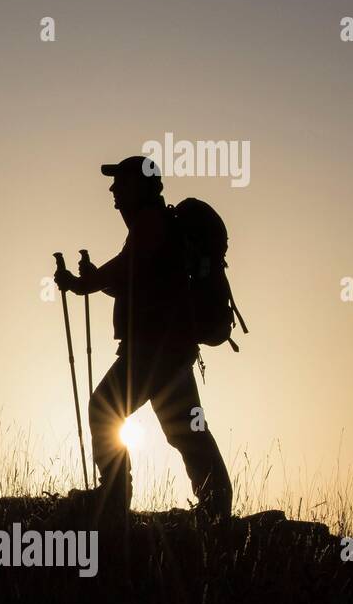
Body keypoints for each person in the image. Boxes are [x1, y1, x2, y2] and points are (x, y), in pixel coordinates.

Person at [54, 155, 232, 526]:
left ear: (140, 186)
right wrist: (94, 281)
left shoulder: (150, 224)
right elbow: (134, 281)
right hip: (171, 348)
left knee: (105, 409)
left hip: (154, 348)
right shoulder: (154, 226)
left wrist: (83, 283)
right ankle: (217, 507)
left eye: (120, 182)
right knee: (186, 429)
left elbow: (124, 270)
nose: (113, 189)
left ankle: (115, 495)